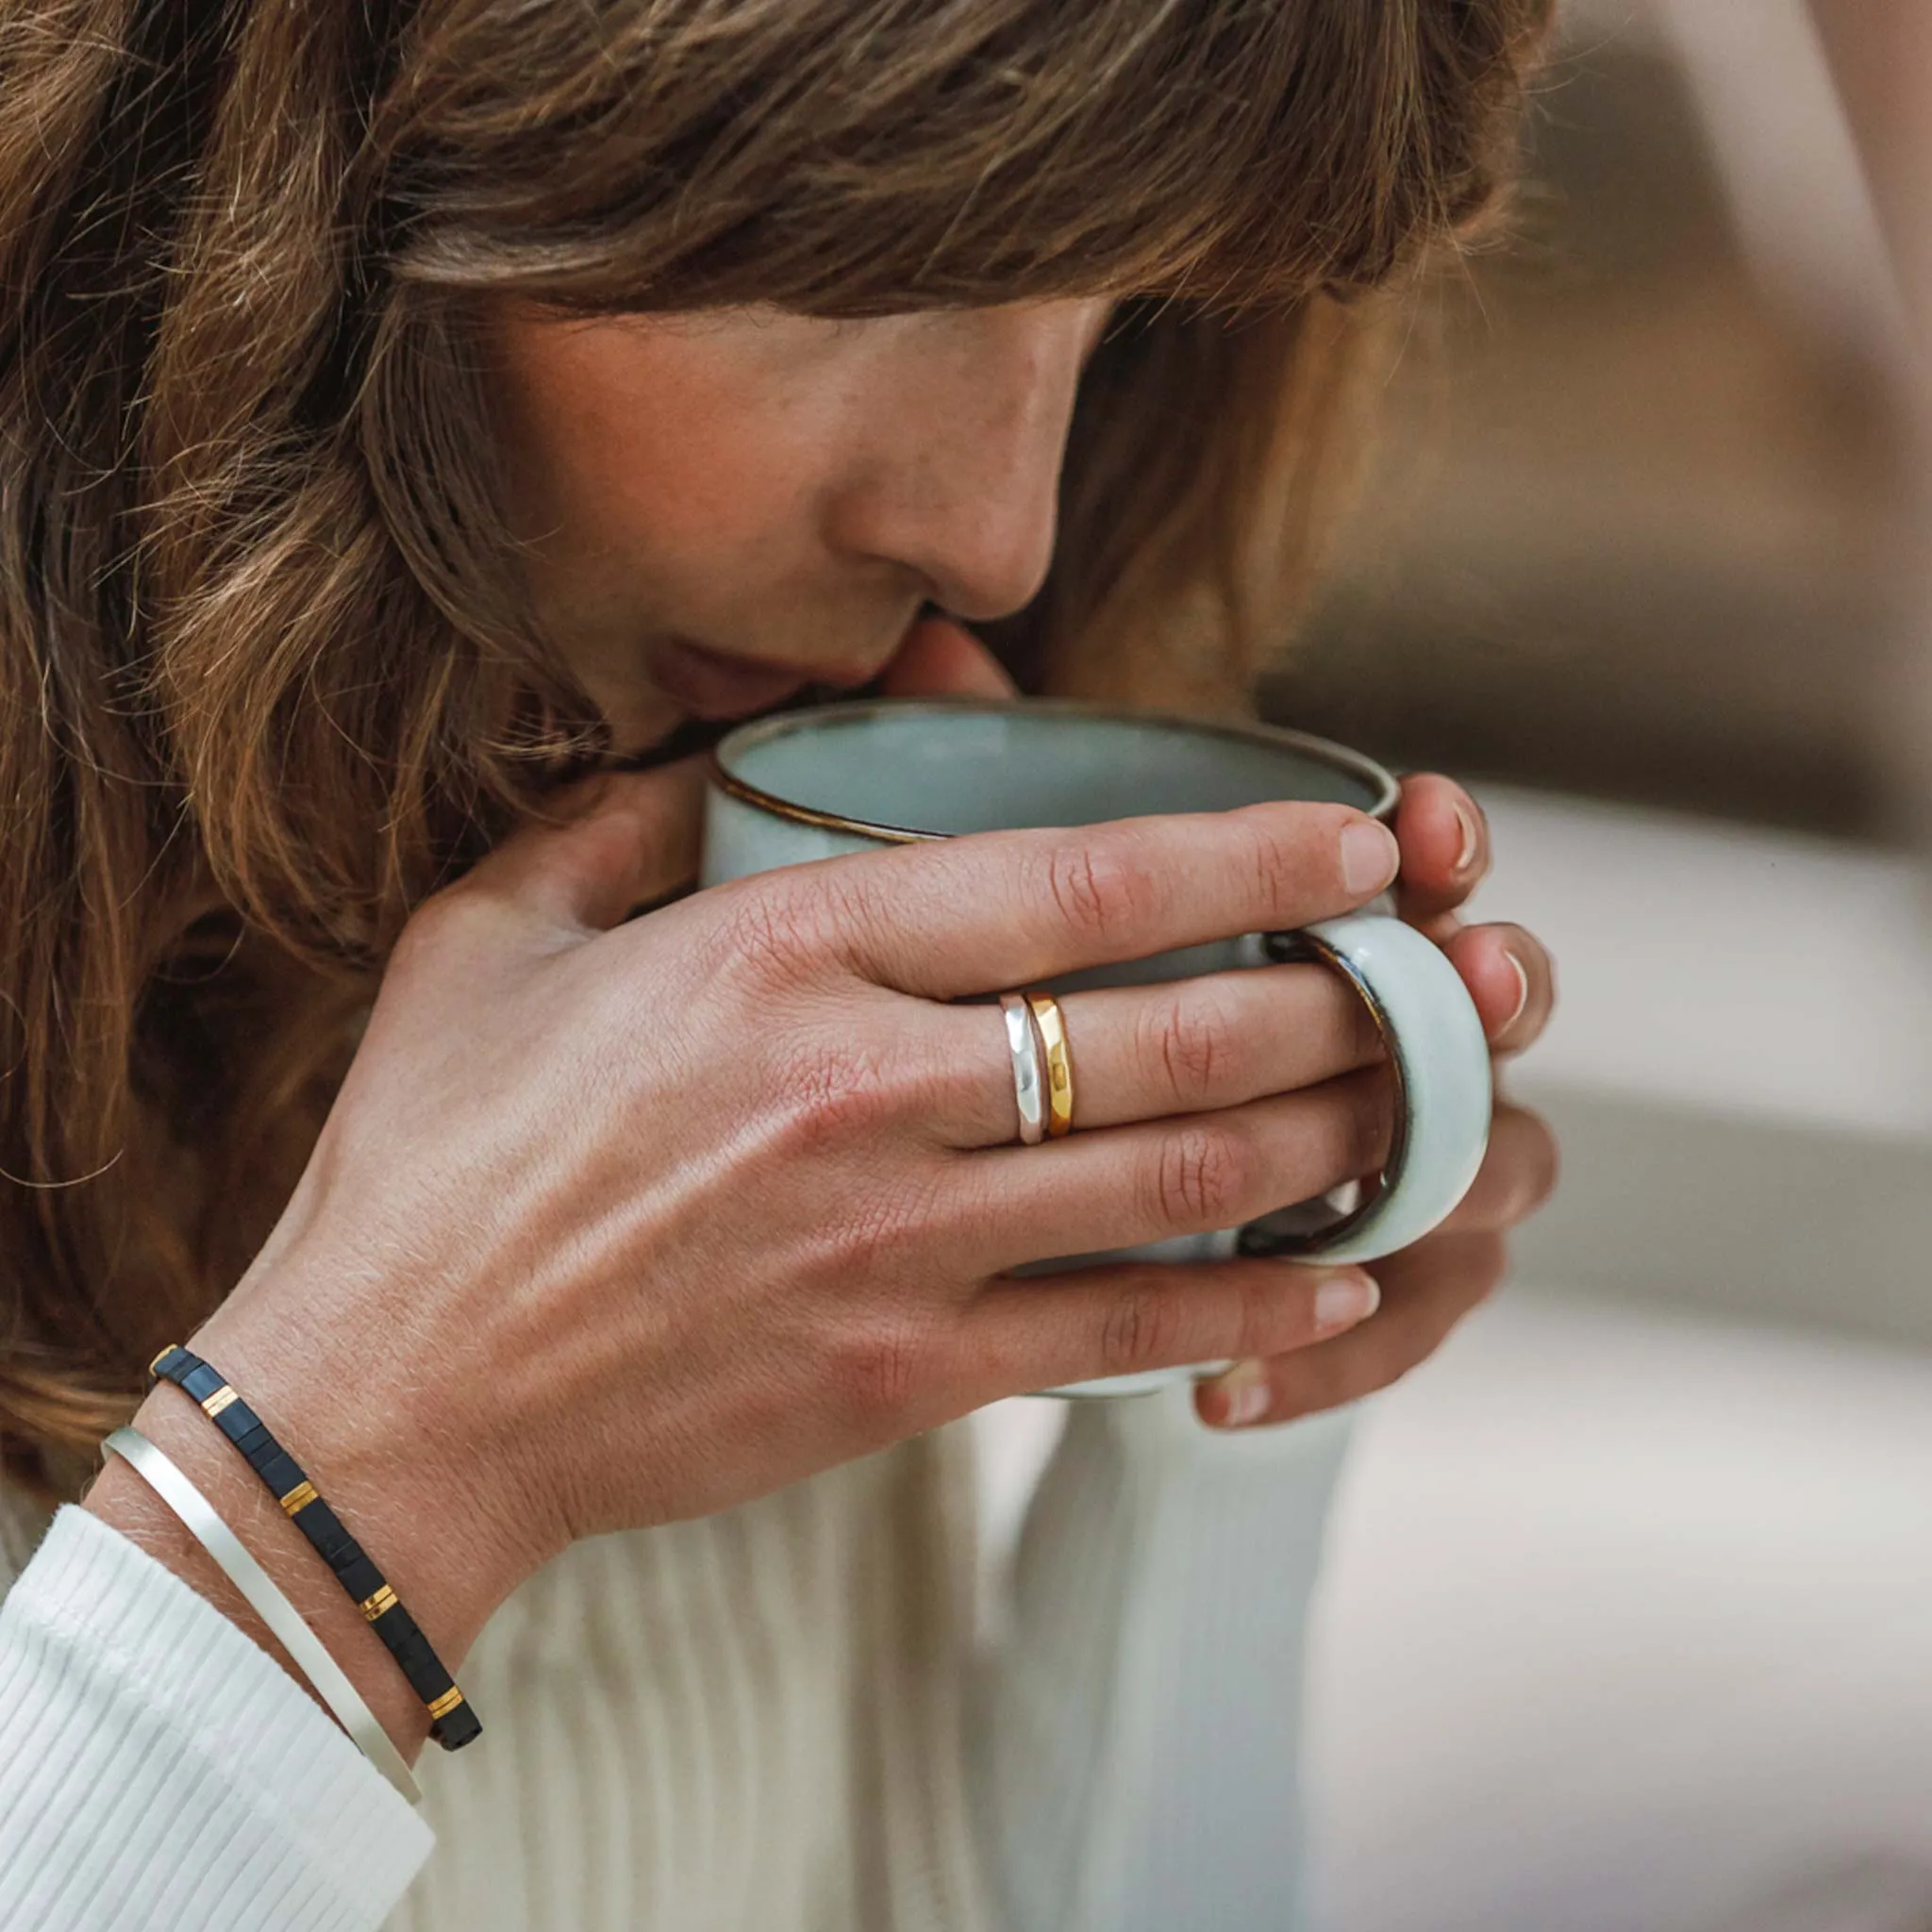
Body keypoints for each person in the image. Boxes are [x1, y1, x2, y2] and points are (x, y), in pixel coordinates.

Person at [0, 1, 1559, 1925]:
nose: (998, 533)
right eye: (885, 261)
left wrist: (1218, 1333)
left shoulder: (750, 990)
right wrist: (374, 1458)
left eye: (1125, 302)